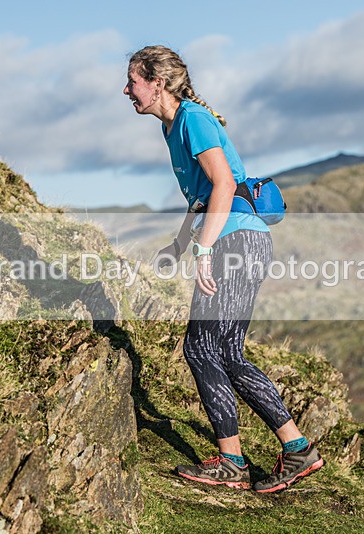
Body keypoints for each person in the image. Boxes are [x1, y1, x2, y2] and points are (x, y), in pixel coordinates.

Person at [123, 45, 323, 492]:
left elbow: (225, 183)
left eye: (133, 80)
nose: (126, 89)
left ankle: (235, 460)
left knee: (200, 346)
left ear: (157, 82)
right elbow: (201, 195)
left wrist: (204, 250)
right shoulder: (173, 127)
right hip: (239, 239)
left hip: (235, 241)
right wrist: (179, 244)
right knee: (226, 351)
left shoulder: (192, 118)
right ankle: (296, 450)